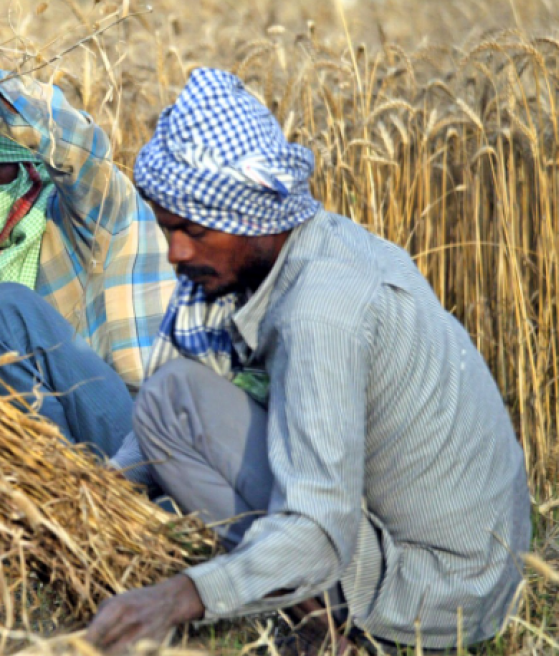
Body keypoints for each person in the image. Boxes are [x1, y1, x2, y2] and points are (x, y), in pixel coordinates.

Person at [87, 68, 531, 653]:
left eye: (193, 230)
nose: (176, 252)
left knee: (173, 400)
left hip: (431, 593)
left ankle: (325, 633)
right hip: (475, 575)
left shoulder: (318, 313)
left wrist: (178, 597)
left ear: (251, 217)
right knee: (171, 402)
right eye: (168, 228)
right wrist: (95, 492)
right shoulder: (312, 246)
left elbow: (319, 530)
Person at [0, 66, 177, 460]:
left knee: (2, 308)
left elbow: (76, 143)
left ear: (24, 159)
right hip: (87, 437)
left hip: (144, 431)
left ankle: (62, 475)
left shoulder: (94, 215)